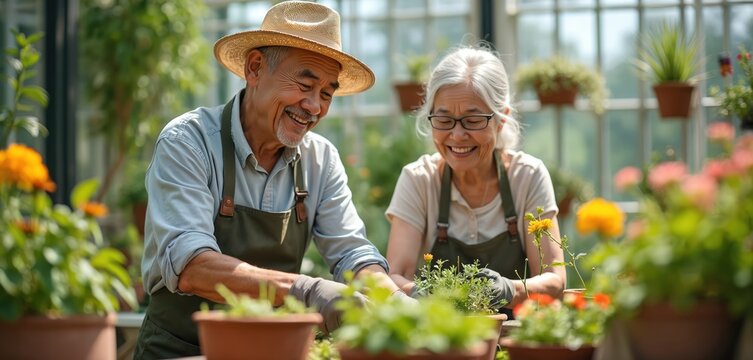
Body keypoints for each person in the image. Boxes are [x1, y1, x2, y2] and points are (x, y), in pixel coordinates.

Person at [133, 2, 409, 359]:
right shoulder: (189, 141)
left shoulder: (320, 159)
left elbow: (352, 254)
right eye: (305, 84)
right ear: (255, 68)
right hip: (179, 350)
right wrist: (307, 290)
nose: (314, 106)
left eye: (326, 93)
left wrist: (397, 303)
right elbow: (192, 267)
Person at [385, 45, 566, 316]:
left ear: (501, 119)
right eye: (444, 120)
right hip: (440, 338)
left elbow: (556, 280)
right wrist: (424, 294)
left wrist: (510, 290)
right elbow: (394, 276)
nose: (457, 135)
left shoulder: (527, 176)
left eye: (472, 120)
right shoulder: (418, 180)